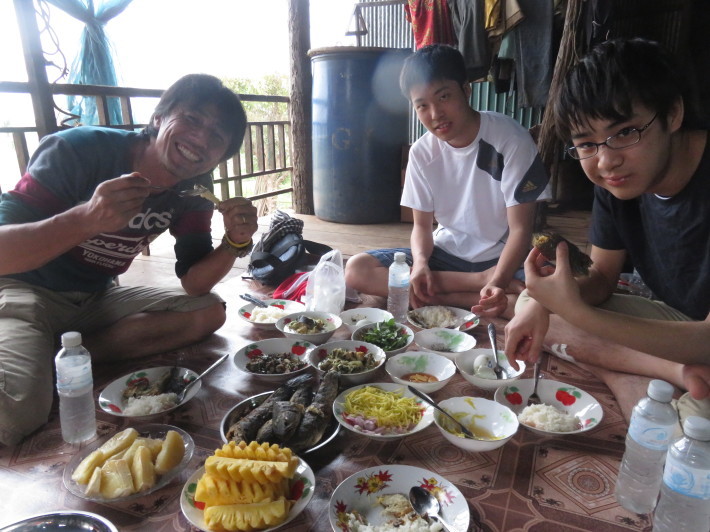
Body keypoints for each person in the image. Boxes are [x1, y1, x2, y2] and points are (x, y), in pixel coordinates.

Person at [0, 74, 258, 446]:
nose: (201, 139)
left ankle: (62, 354)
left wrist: (235, 241)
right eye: (193, 120)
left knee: (209, 311)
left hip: (94, 297)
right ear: (158, 118)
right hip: (24, 287)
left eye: (217, 137)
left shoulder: (193, 190)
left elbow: (194, 283)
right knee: (16, 412)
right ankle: (45, 358)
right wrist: (87, 217)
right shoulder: (81, 150)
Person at [504, 38, 710, 420]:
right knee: (531, 303)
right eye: (586, 143)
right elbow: (600, 277)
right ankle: (653, 375)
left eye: (626, 132)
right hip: (679, 324)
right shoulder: (617, 180)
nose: (606, 161)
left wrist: (576, 314)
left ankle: (634, 377)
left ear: (673, 113)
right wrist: (544, 301)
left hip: (703, 336)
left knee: (682, 454)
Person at [345, 44, 551, 318]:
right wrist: (419, 264)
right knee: (357, 269)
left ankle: (447, 296)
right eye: (422, 106)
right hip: (445, 257)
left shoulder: (510, 139)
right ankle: (476, 292)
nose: (435, 114)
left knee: (555, 286)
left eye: (443, 97)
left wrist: (498, 279)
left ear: (466, 91)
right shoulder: (422, 153)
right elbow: (421, 227)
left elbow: (520, 230)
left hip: (501, 258)